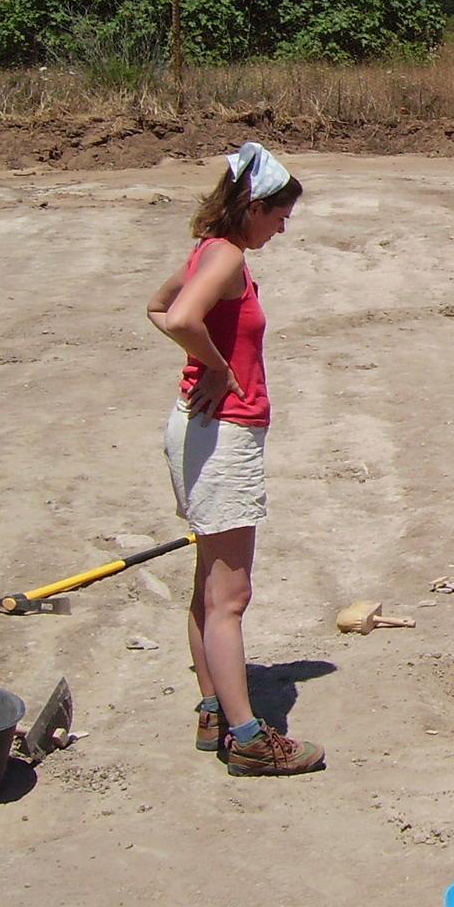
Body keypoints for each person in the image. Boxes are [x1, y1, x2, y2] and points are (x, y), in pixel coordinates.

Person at [147, 142, 324, 776]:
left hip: (200, 432)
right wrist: (218, 368)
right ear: (252, 206)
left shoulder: (210, 252)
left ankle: (212, 707)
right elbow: (181, 318)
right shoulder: (224, 258)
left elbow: (156, 307)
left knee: (207, 586)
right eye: (279, 214)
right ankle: (249, 737)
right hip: (222, 438)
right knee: (231, 597)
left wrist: (203, 363)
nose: (283, 226)